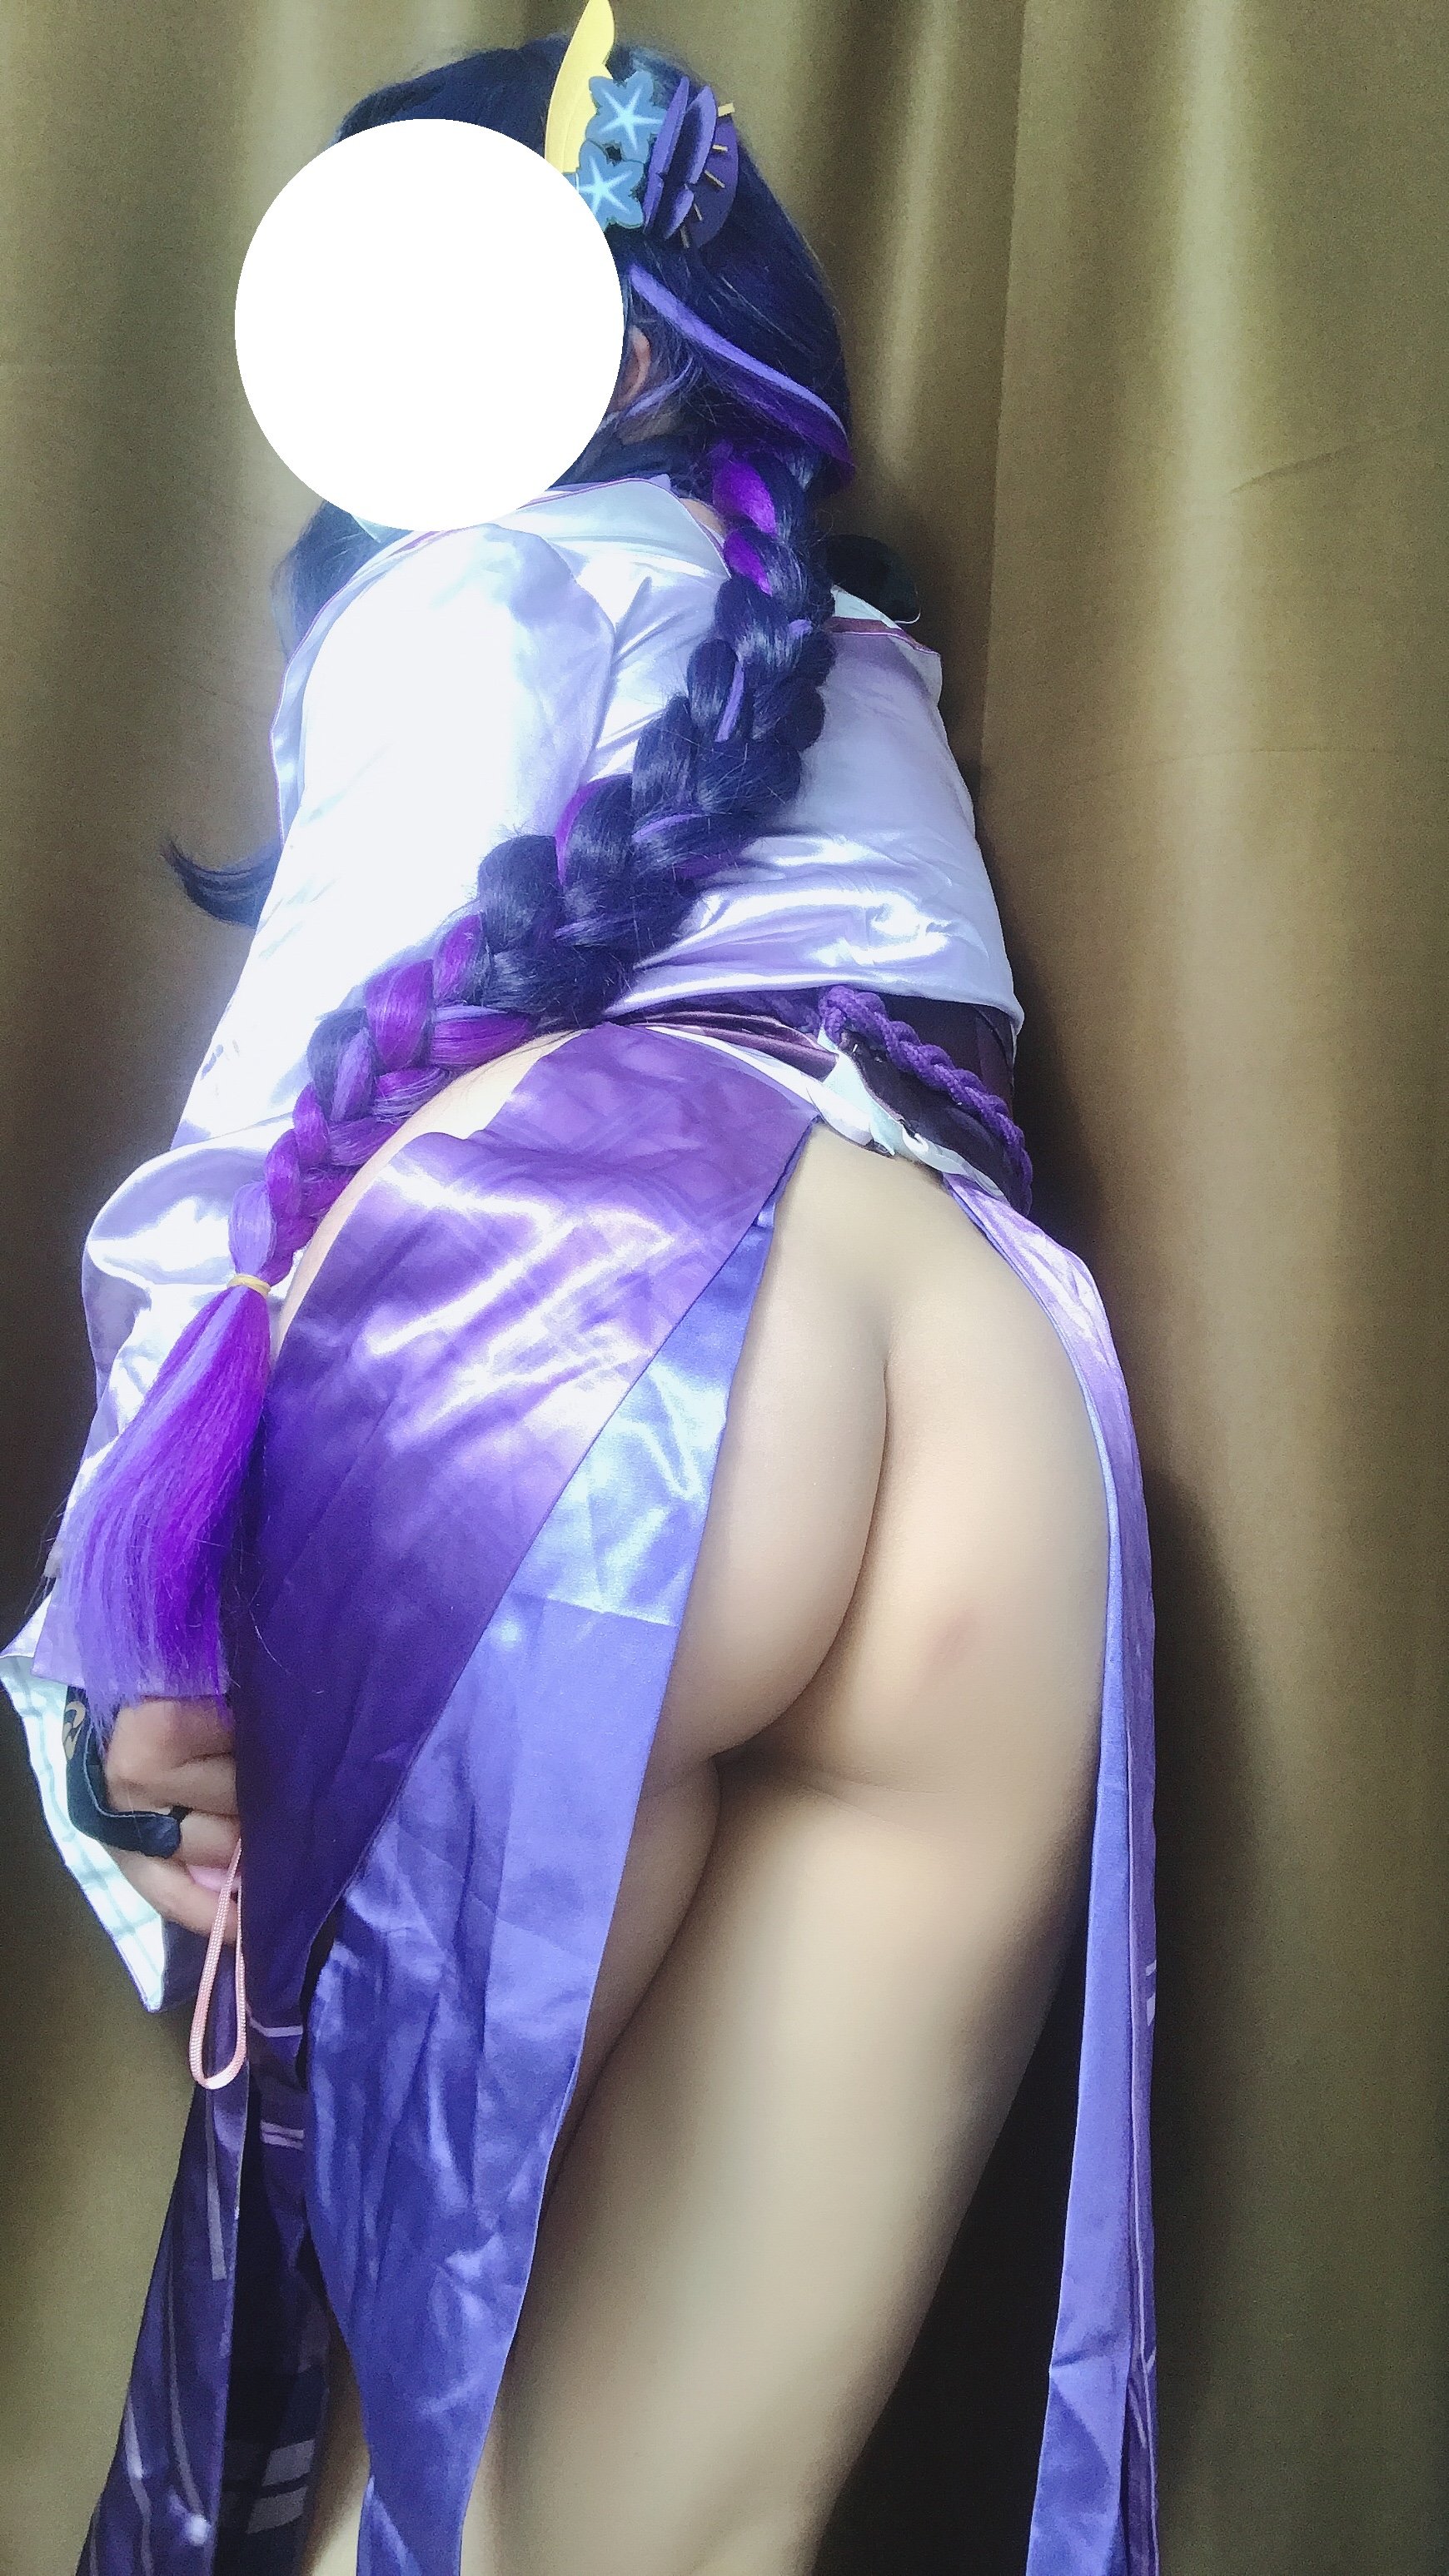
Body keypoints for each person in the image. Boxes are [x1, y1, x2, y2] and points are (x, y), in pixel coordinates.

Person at [1, 22, 1158, 2575]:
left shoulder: (457, 601)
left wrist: (117, 1640)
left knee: (379, 2471)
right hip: (995, 1403)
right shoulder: (859, 661)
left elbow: (274, 1124)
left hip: (603, 1330)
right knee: (641, 2535)